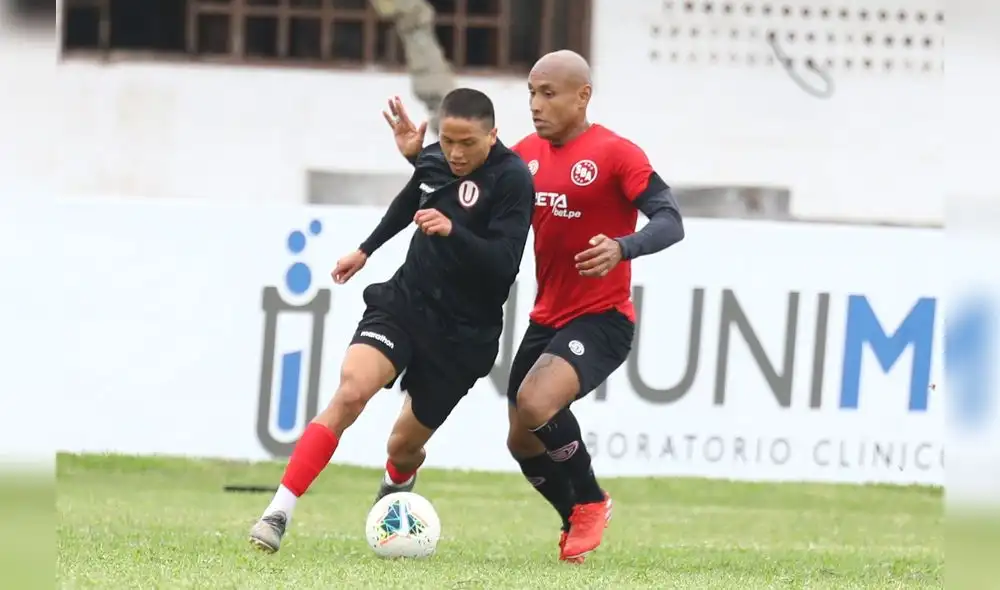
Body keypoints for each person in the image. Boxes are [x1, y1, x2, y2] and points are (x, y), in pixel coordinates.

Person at [383, 50, 685, 562]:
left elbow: (670, 219)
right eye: (530, 92)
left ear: (582, 96)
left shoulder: (616, 154)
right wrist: (418, 157)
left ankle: (591, 500)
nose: (535, 104)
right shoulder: (523, 155)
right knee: (522, 442)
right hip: (545, 319)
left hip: (603, 318)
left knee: (538, 402)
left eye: (548, 93)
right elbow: (464, 178)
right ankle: (573, 517)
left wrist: (622, 246)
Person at [249, 88, 535, 554]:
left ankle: (396, 482)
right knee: (350, 391)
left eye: (468, 144)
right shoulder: (436, 161)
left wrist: (453, 231)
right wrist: (365, 250)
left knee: (402, 446)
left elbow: (505, 263)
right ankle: (278, 510)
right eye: (448, 143)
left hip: (464, 337)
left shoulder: (514, 180)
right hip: (406, 303)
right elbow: (412, 200)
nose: (457, 154)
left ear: (494, 135)